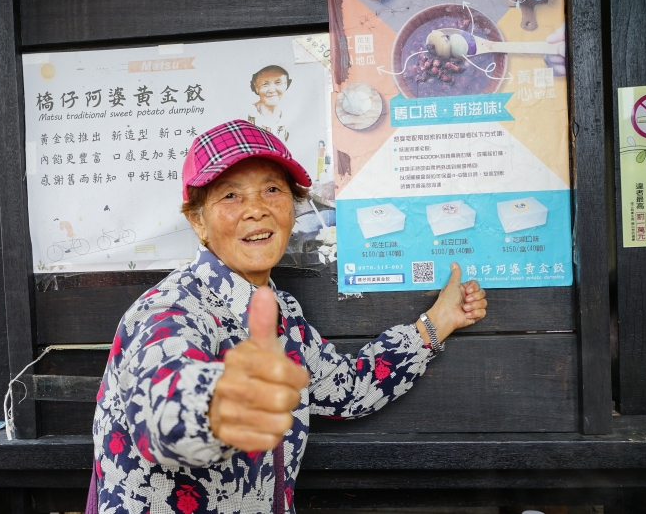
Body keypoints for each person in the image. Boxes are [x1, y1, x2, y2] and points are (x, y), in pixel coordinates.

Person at [90, 120, 487, 514]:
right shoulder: (169, 308)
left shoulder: (283, 312)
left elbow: (346, 390)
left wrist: (438, 322)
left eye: (272, 190)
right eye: (231, 195)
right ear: (198, 221)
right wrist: (220, 403)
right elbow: (163, 406)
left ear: (293, 209)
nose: (257, 210)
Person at [247, 65, 291, 142]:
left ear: (286, 84)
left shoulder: (289, 118)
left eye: (278, 82)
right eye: (265, 84)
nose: (272, 90)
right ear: (256, 87)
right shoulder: (247, 115)